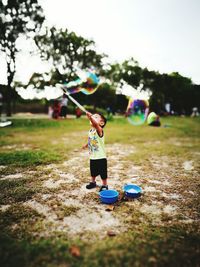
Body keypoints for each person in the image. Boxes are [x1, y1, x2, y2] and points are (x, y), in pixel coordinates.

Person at [82, 112, 108, 191]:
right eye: (93, 116)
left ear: (101, 123)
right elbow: (91, 140)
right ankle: (93, 182)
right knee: (93, 171)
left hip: (101, 157)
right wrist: (86, 145)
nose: (93, 117)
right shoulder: (90, 131)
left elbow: (96, 125)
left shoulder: (99, 130)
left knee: (103, 172)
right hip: (93, 156)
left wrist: (90, 118)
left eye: (96, 117)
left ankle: (104, 185)